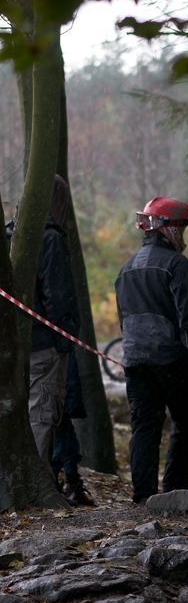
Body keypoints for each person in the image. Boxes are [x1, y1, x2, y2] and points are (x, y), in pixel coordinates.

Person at [115, 196, 188, 504]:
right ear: (170, 229)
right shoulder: (176, 264)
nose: (185, 236)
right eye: (184, 228)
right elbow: (187, 317)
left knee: (144, 425)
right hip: (170, 357)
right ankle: (174, 489)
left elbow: (123, 320)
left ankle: (143, 496)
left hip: (134, 360)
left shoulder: (126, 269)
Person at [6, 176, 80, 481]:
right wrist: (64, 342)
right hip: (44, 345)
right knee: (42, 412)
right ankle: (35, 482)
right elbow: (57, 296)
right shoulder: (49, 238)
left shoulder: (10, 235)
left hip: (16, 344)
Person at [51, 352, 95, 506]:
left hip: (62, 378)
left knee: (67, 435)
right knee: (62, 437)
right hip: (56, 378)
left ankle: (73, 483)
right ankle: (56, 482)